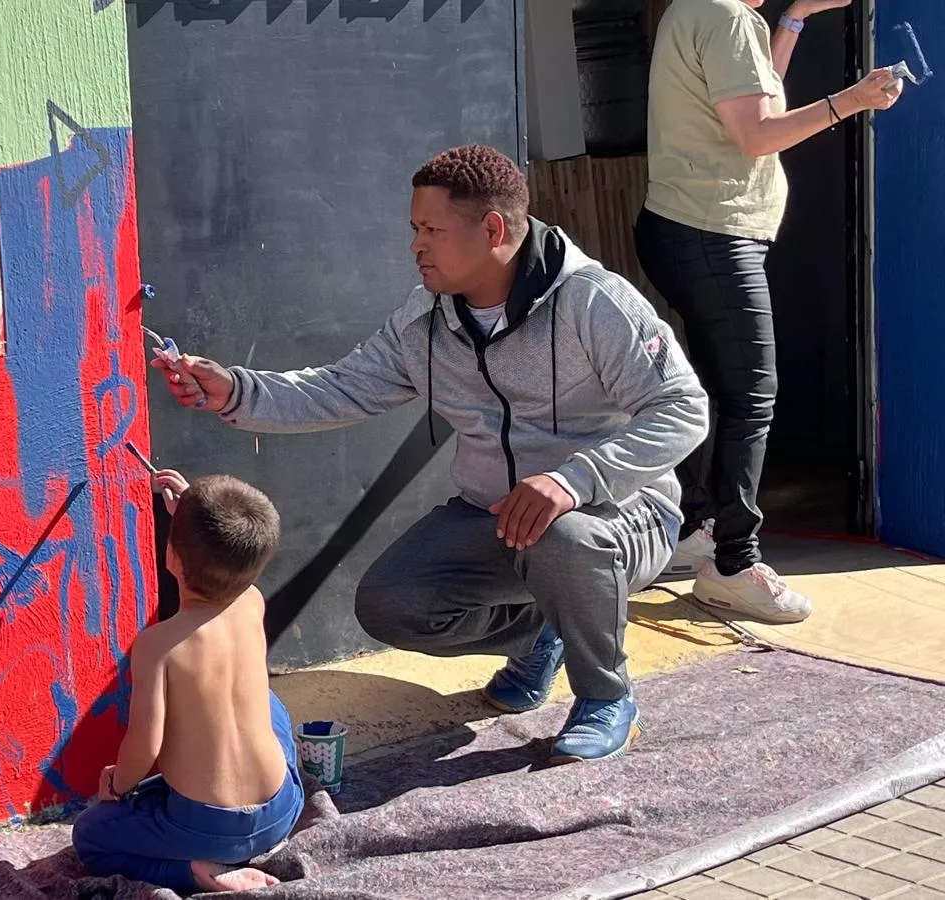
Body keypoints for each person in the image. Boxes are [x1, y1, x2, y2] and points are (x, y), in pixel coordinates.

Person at [152, 145, 709, 763]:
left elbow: (684, 408)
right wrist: (237, 390)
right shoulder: (425, 322)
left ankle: (606, 697)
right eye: (414, 229)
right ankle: (544, 631)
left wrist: (575, 479)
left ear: (493, 228)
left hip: (618, 513)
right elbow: (341, 387)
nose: (416, 245)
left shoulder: (593, 302)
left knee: (566, 537)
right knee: (391, 604)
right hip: (495, 517)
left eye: (432, 230)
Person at [636, 0, 903, 622]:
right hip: (712, 235)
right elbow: (757, 135)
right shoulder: (725, 16)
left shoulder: (701, 11)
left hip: (686, 229)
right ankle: (733, 562)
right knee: (752, 396)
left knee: (719, 393)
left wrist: (797, 17)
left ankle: (700, 529)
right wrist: (853, 99)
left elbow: (760, 102)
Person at [72, 469, 303, 895]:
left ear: (172, 557)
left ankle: (196, 872)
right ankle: (232, 847)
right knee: (269, 704)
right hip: (282, 810)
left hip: (205, 829)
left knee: (89, 836)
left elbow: (145, 744)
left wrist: (118, 785)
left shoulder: (158, 645)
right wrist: (189, 512)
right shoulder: (253, 602)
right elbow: (229, 558)